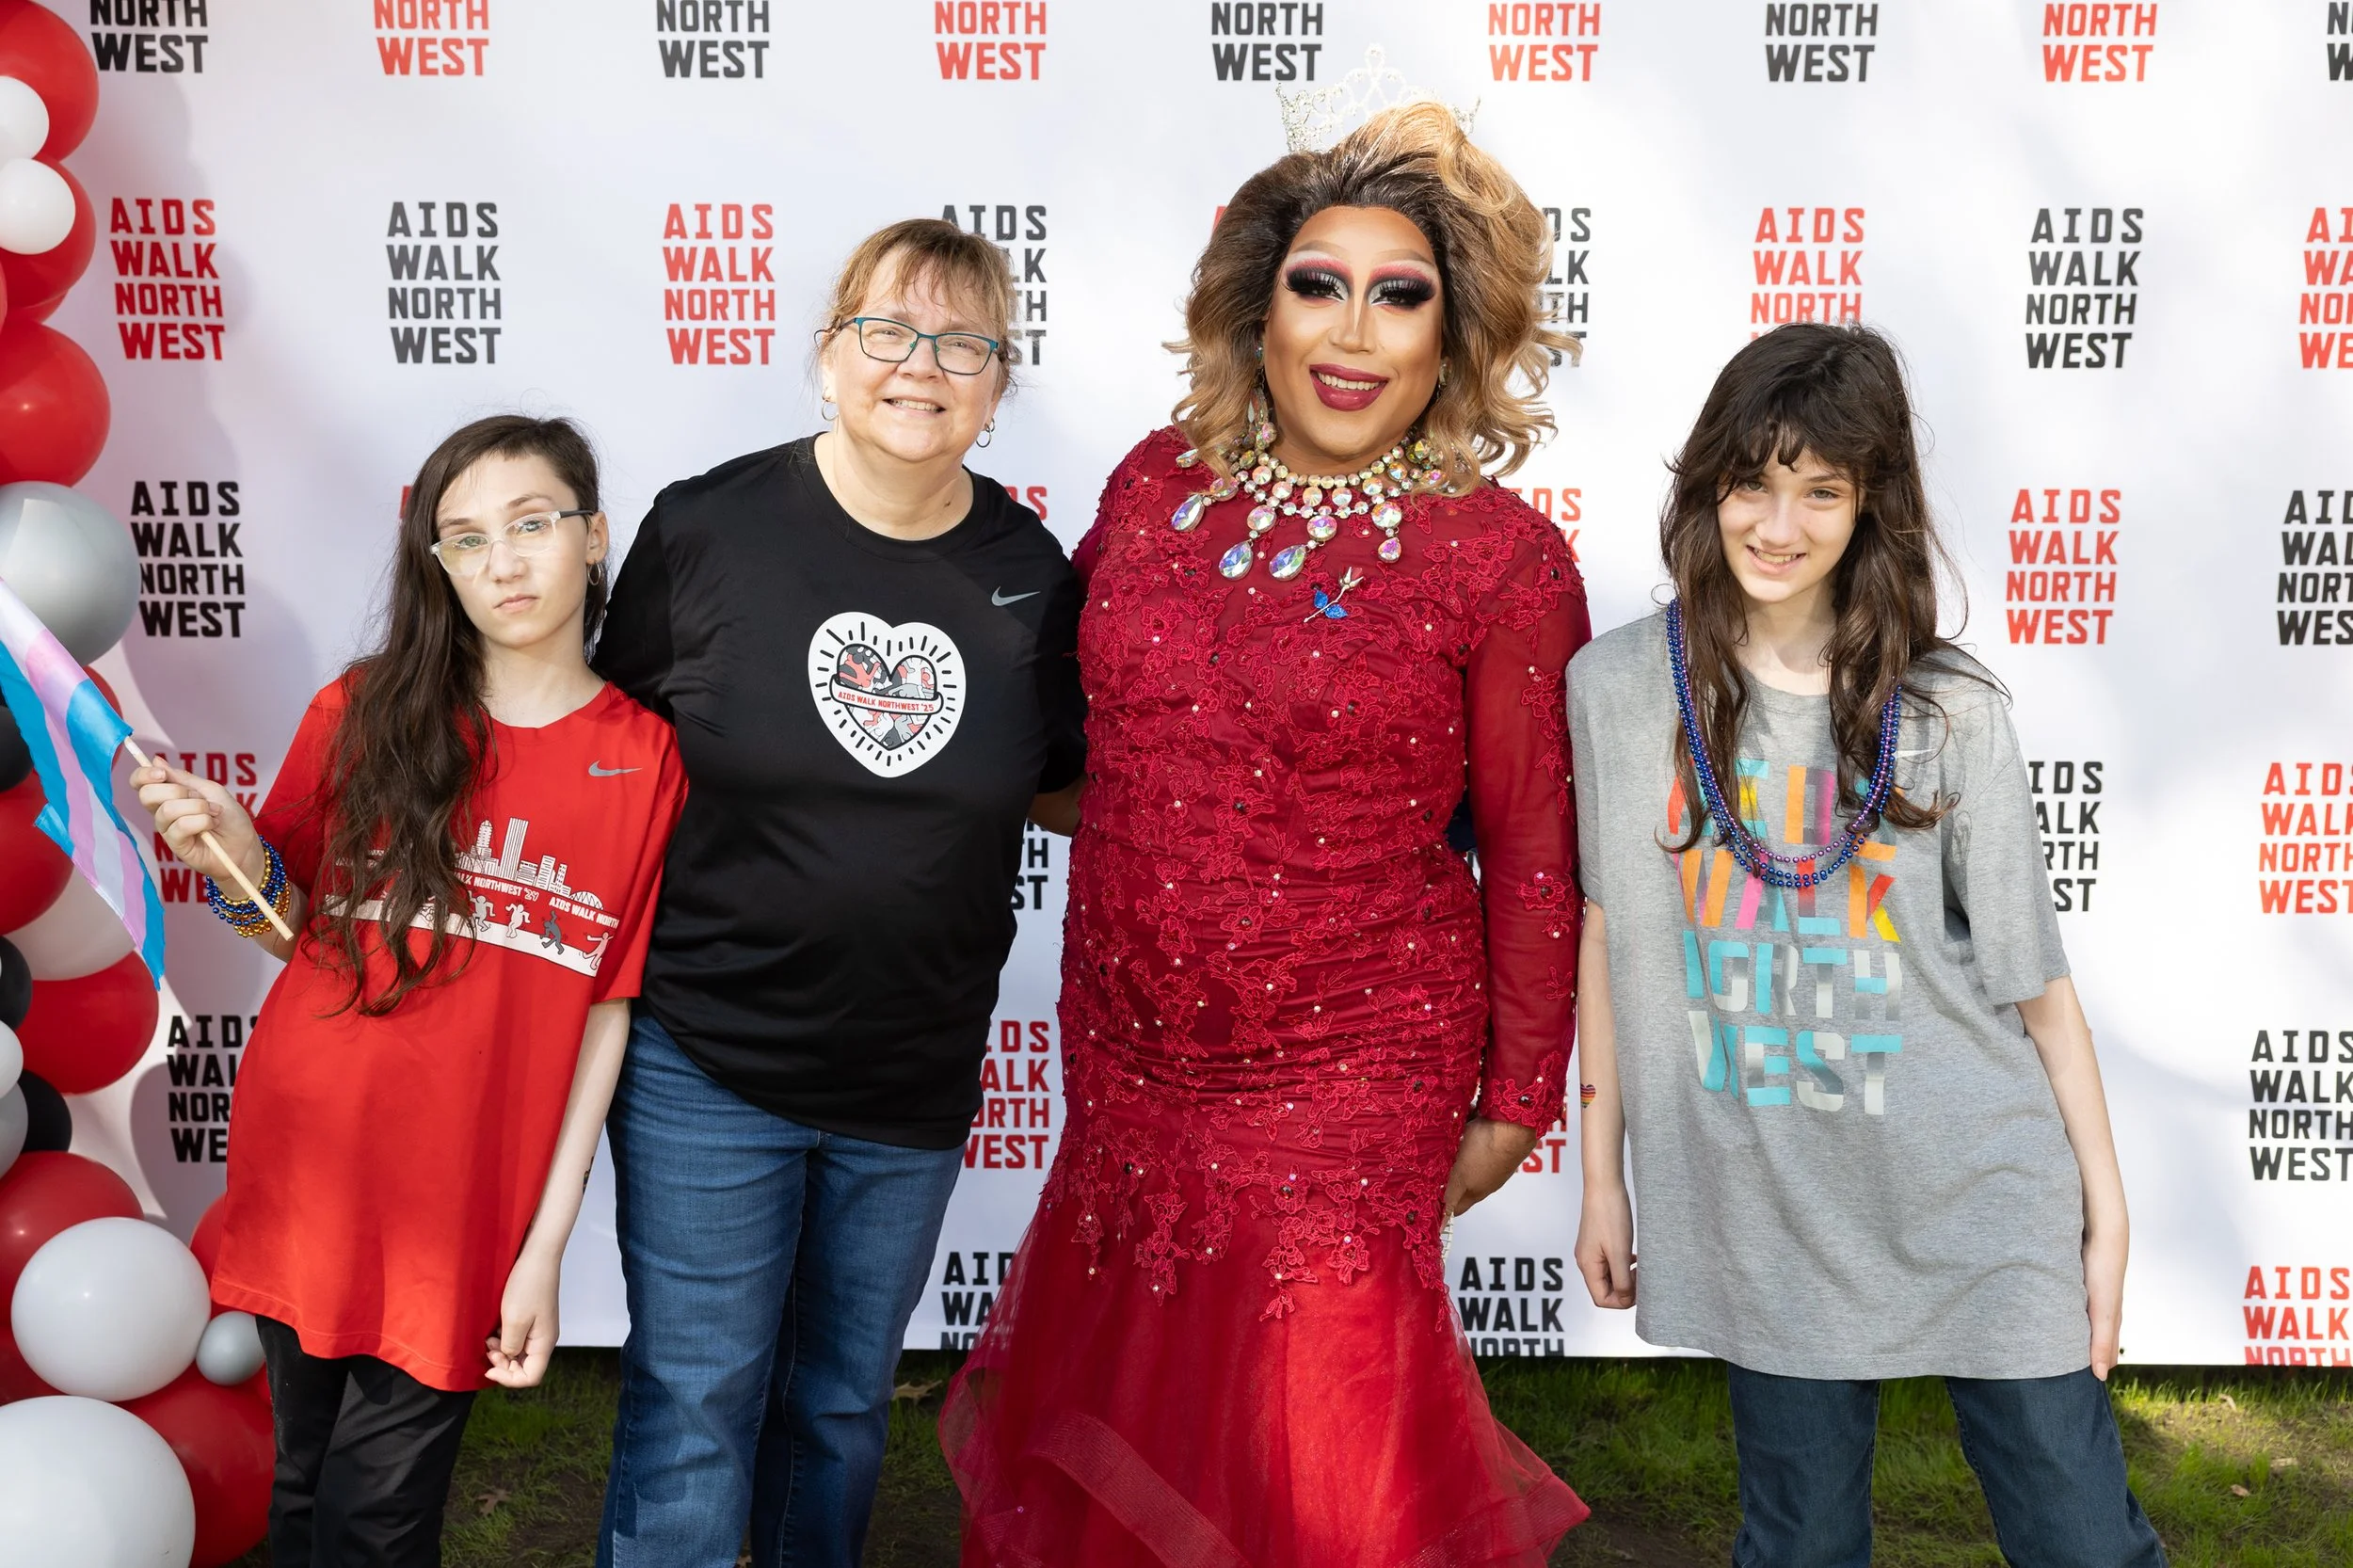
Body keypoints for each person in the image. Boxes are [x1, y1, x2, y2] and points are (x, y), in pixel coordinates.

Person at [942, 102, 1593, 1564]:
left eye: (1400, 291)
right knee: (1141, 1405)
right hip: (1131, 1044)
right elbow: (1076, 727)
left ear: (1450, 334)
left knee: (1318, 1450)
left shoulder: (1500, 559)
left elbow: (1541, 856)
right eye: (1318, 283)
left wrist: (1518, 1093)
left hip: (1356, 1059)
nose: (1354, 329)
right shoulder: (1156, 487)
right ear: (1258, 309)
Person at [1569, 322, 2167, 1567]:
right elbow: (1616, 923)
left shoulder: (1948, 707)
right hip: (1769, 1204)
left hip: (1977, 1193)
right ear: (1708, 487)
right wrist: (1605, 1174)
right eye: (1752, 481)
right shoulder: (1619, 687)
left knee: (2083, 1543)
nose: (1777, 523)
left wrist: (2103, 1211)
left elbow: (2034, 983)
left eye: (1821, 490)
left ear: (1870, 504)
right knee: (1798, 1549)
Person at [590, 216, 1085, 1568]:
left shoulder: (1038, 581)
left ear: (997, 385)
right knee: (697, 1404)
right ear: (826, 354)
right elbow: (611, 751)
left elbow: (1068, 784)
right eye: (887, 329)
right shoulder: (706, 529)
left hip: (911, 1076)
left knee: (841, 1405)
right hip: (708, 1052)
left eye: (963, 341)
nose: (920, 364)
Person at [134, 415, 685, 1568]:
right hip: (311, 1148)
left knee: (378, 1514)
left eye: (531, 524)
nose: (503, 562)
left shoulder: (645, 758)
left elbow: (605, 1010)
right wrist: (231, 850)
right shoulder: (364, 708)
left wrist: (544, 1243)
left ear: (592, 536)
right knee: (302, 1484)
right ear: (435, 564)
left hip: (463, 1187)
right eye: (465, 538)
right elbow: (288, 927)